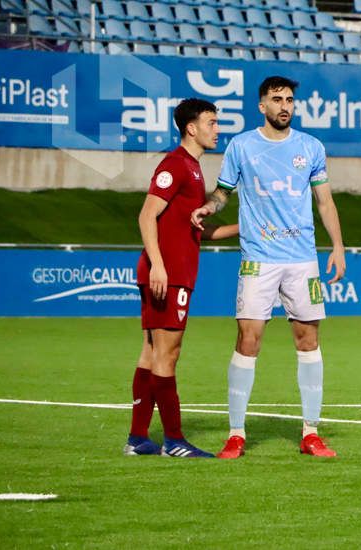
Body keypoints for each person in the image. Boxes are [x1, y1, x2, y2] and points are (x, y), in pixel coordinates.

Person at [191, 76, 346, 459]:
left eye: (290, 100)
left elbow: (324, 202)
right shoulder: (241, 146)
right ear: (262, 106)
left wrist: (338, 246)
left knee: (309, 341)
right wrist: (209, 207)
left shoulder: (311, 147)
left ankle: (310, 433)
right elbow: (223, 192)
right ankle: (236, 433)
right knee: (248, 339)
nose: (284, 106)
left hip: (302, 259)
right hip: (258, 258)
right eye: (276, 100)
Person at [126, 98, 238, 458]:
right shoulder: (175, 165)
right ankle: (173, 440)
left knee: (152, 352)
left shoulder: (193, 169)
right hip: (167, 275)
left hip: (173, 273)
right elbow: (146, 216)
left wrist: (247, 228)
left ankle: (138, 438)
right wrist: (158, 264)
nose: (216, 129)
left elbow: (198, 231)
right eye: (211, 122)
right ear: (191, 127)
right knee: (168, 354)